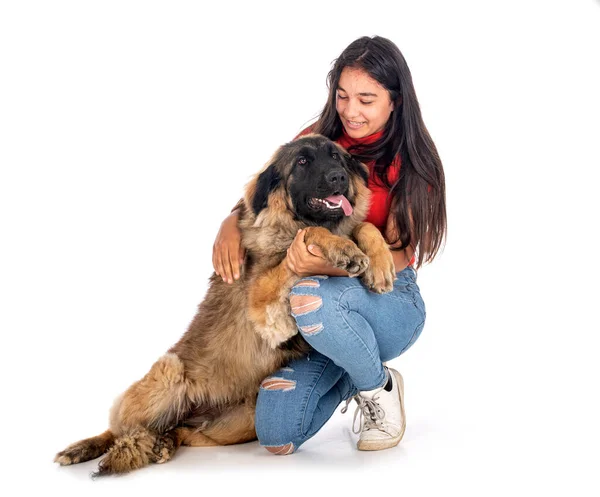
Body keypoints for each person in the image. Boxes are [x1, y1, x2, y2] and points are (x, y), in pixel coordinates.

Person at [212, 36, 446, 454]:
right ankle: (350, 364)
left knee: (309, 293)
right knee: (276, 435)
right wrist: (230, 222)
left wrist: (325, 266)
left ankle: (378, 387)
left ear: (395, 101)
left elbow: (399, 256)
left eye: (366, 99)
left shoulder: (415, 163)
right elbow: (269, 189)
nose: (351, 111)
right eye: (342, 96)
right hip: (318, 309)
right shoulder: (318, 138)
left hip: (389, 296)